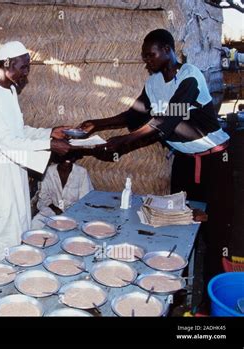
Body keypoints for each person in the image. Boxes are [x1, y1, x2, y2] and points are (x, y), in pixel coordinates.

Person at [77, 29, 235, 297]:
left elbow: (166, 119)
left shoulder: (190, 77)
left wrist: (122, 142)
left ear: (167, 49)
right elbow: (135, 114)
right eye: (145, 57)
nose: (147, 61)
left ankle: (212, 298)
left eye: (150, 55)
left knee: (215, 229)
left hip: (216, 161)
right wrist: (97, 124)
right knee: (177, 220)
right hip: (185, 160)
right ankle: (177, 287)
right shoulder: (153, 84)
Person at [0, 41, 71, 264]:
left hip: (13, 176)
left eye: (28, 67)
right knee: (3, 243)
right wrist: (49, 145)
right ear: (7, 63)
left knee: (18, 236)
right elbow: (6, 141)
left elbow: (19, 131)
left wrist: (50, 132)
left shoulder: (8, 91)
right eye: (23, 67)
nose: (26, 73)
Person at [31, 153, 94, 229]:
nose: (67, 159)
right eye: (64, 155)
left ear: (75, 157)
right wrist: (55, 209)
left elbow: (85, 199)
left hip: (74, 213)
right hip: (51, 211)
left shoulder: (81, 172)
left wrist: (68, 213)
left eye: (71, 155)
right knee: (36, 223)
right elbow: (43, 195)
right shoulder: (49, 171)